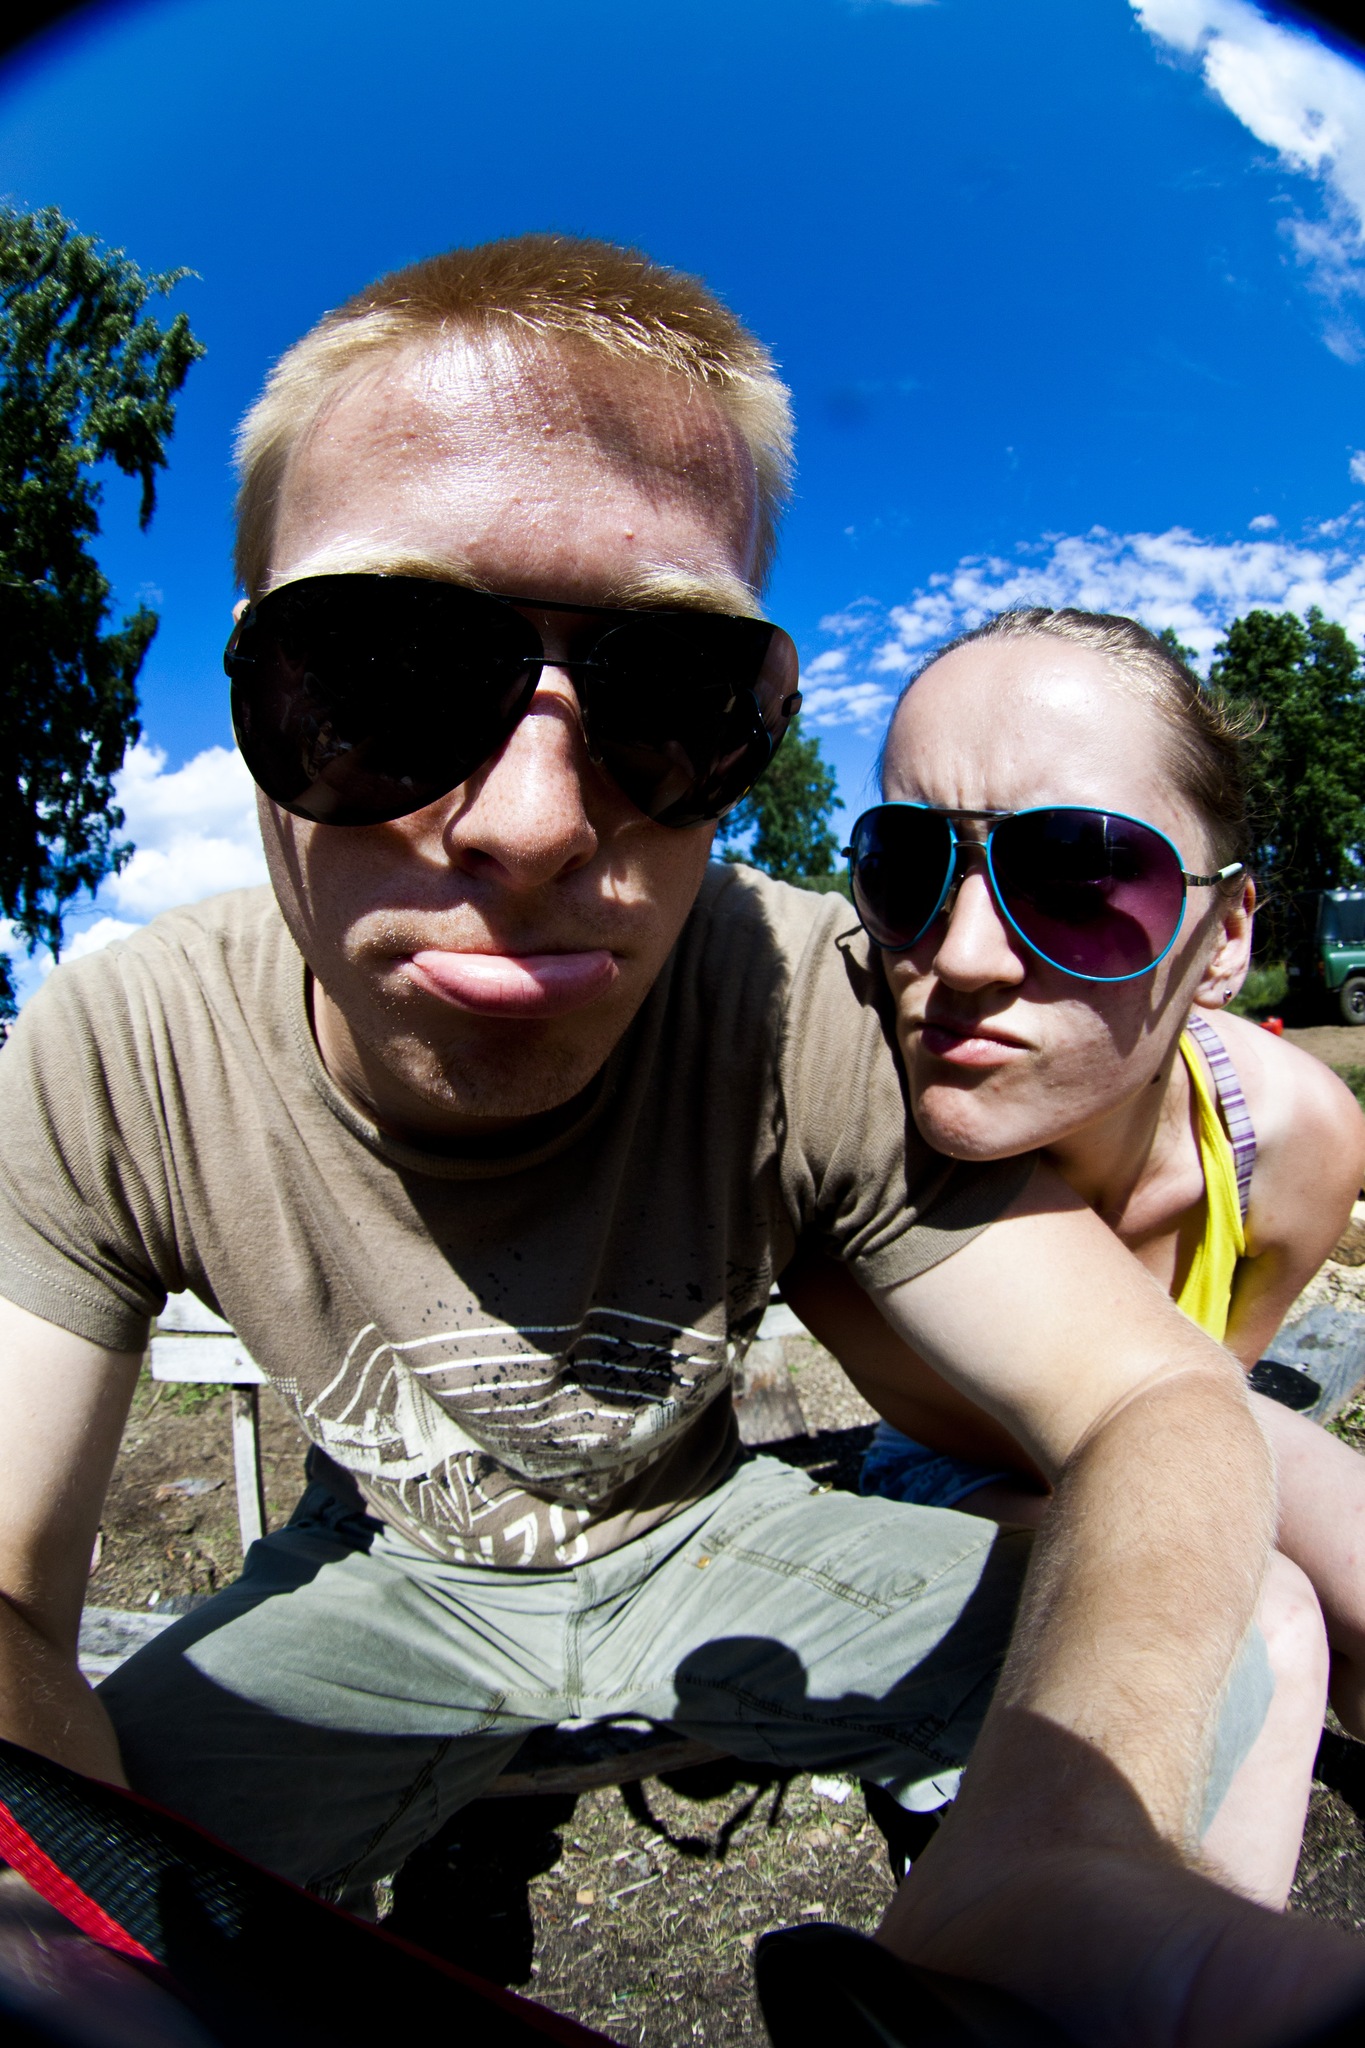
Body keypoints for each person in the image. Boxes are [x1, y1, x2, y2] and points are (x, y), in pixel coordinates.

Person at [0, 235, 1359, 2042]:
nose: (533, 822)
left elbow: (1153, 1401)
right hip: (379, 1568)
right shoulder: (121, 1047)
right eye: (379, 678)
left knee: (1237, 1628)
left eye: (670, 701)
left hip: (702, 1534)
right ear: (250, 689)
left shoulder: (803, 1001)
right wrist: (55, 1923)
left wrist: (1060, 1838)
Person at [792, 604, 1365, 1898]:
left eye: (1081, 879)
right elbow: (1025, 1436)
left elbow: (1203, 1401)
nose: (960, 955)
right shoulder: (837, 1167)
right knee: (1255, 1629)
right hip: (954, 1459)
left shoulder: (1295, 1141)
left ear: (1225, 939)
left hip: (1176, 1420)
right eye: (907, 867)